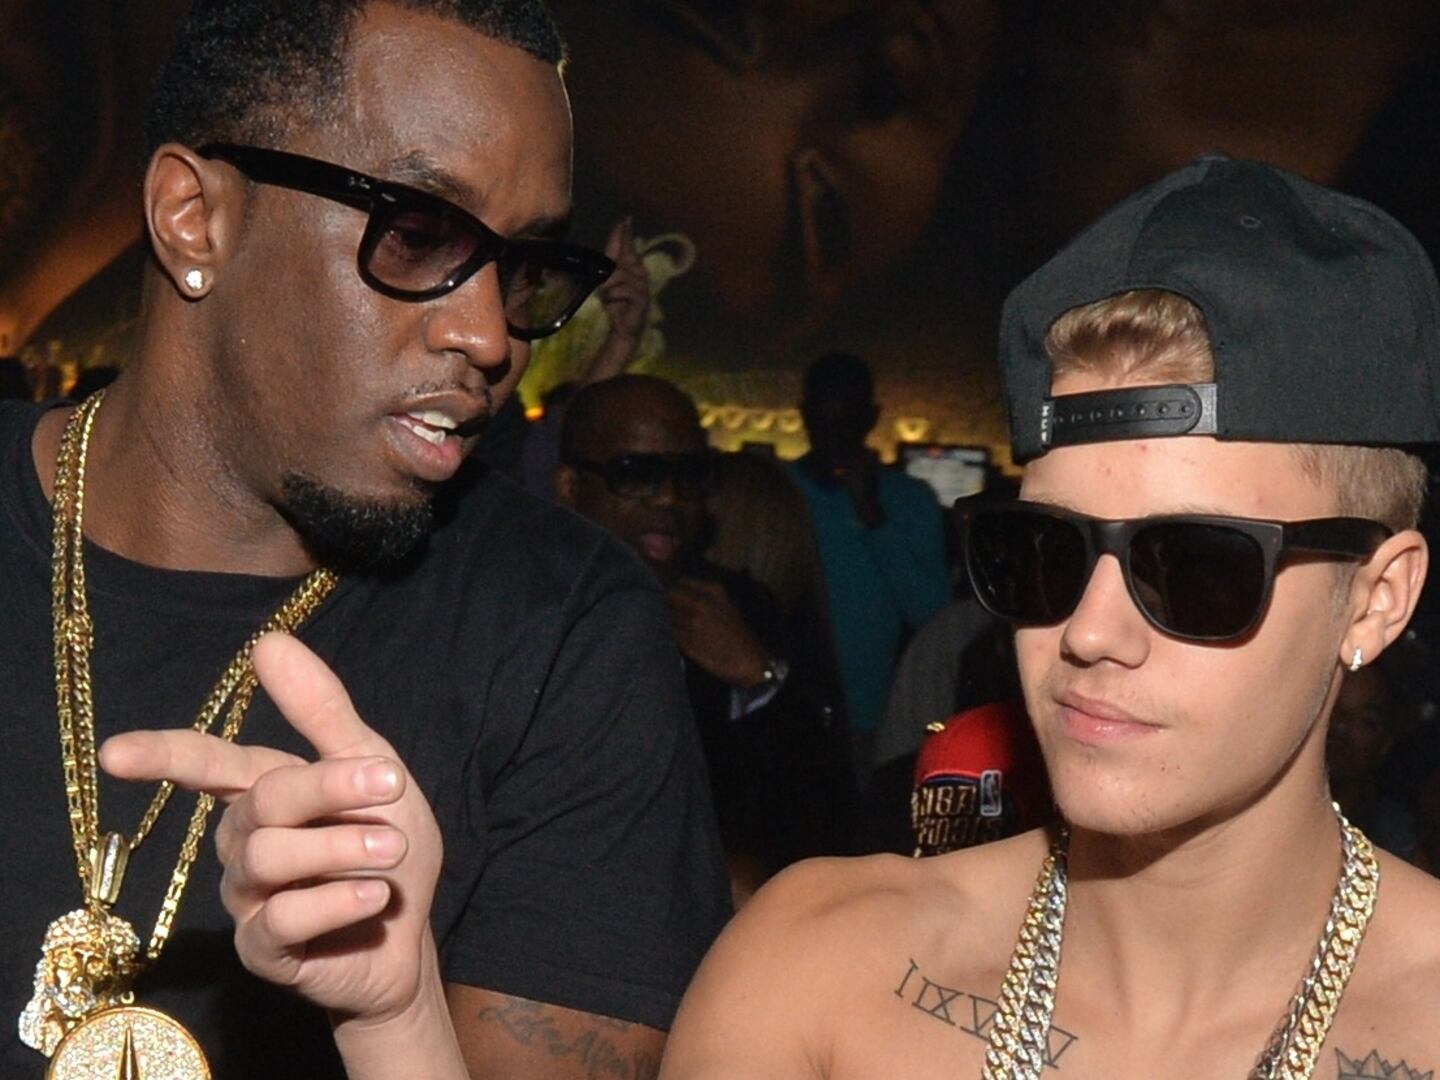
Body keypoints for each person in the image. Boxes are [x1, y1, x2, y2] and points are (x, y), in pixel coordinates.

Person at [0, 2, 732, 1078]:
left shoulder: (565, 625)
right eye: (419, 233)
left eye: (525, 267)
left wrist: (399, 1020)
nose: (489, 335)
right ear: (195, 217)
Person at [658, 156, 1440, 1078]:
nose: (1088, 632)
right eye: (1042, 552)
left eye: (1196, 567)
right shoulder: (817, 970)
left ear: (1377, 599)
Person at [555, 375, 840, 903]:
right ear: (571, 486)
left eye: (689, 475)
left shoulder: (738, 608)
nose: (668, 497)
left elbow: (823, 813)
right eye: (637, 473)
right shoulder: (518, 612)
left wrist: (763, 678)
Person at [789, 351, 952, 781]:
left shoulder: (911, 501)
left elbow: (933, 613)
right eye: (825, 422)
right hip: (790, 711)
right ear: (805, 416)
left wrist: (873, 518)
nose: (835, 437)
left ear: (871, 418)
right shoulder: (780, 494)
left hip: (877, 723)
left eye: (847, 423)